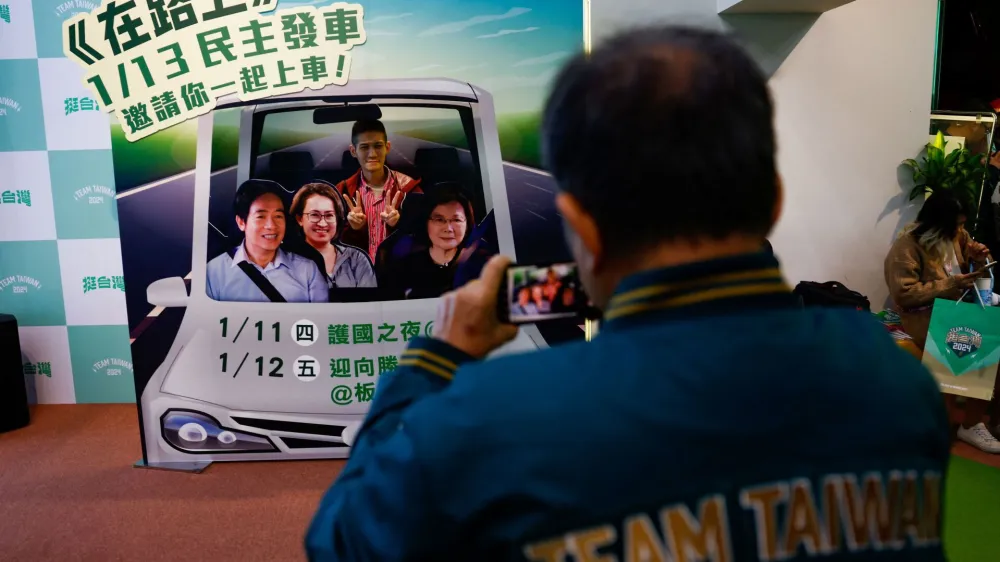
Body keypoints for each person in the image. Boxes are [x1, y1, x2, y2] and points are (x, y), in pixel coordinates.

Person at [306, 26, 950, 561]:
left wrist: (439, 356)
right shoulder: (898, 386)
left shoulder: (484, 421)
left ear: (582, 229)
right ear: (772, 204)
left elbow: (340, 539)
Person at [885, 189, 999, 453]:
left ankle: (992, 420)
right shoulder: (907, 247)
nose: (963, 229)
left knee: (991, 333)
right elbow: (904, 293)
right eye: (958, 224)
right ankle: (970, 425)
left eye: (963, 223)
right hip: (924, 315)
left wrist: (981, 258)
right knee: (977, 339)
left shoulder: (957, 235)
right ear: (938, 222)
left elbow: (981, 269)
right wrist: (949, 284)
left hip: (957, 309)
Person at [206, 179, 327, 303]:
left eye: (278, 216)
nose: (271, 225)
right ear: (241, 222)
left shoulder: (307, 271)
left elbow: (321, 319)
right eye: (261, 216)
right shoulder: (214, 271)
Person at [336, 119, 422, 262]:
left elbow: (424, 238)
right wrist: (354, 229)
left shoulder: (409, 188)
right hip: (356, 274)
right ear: (353, 151)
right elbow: (331, 243)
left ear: (387, 147)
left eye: (378, 146)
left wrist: (398, 225)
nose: (372, 154)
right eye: (364, 147)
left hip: (398, 274)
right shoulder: (342, 191)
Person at [377, 186, 475, 300]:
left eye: (456, 220)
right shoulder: (404, 268)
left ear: (467, 224)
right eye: (439, 220)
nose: (448, 228)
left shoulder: (480, 265)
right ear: (426, 223)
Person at [288, 182, 377, 289]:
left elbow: (369, 302)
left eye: (329, 215)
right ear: (299, 219)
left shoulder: (356, 259)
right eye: (314, 215)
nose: (322, 223)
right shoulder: (287, 262)